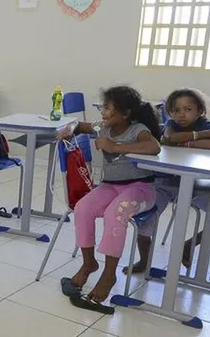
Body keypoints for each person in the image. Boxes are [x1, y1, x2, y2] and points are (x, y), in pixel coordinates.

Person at [58, 86, 162, 313]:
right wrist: (71, 128)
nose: (102, 112)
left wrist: (116, 147)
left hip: (141, 189)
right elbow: (81, 125)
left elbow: (154, 146)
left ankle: (109, 274)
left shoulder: (137, 130)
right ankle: (89, 263)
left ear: (125, 114)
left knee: (116, 213)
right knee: (83, 207)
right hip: (110, 186)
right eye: (103, 106)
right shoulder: (103, 127)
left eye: (108, 108)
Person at [129, 88, 210, 273]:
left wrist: (183, 142)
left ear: (199, 111)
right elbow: (168, 137)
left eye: (187, 109)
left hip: (194, 186)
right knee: (144, 224)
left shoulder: (203, 122)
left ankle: (189, 245)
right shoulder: (172, 125)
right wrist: (199, 137)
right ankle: (144, 261)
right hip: (163, 185)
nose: (181, 114)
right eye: (176, 110)